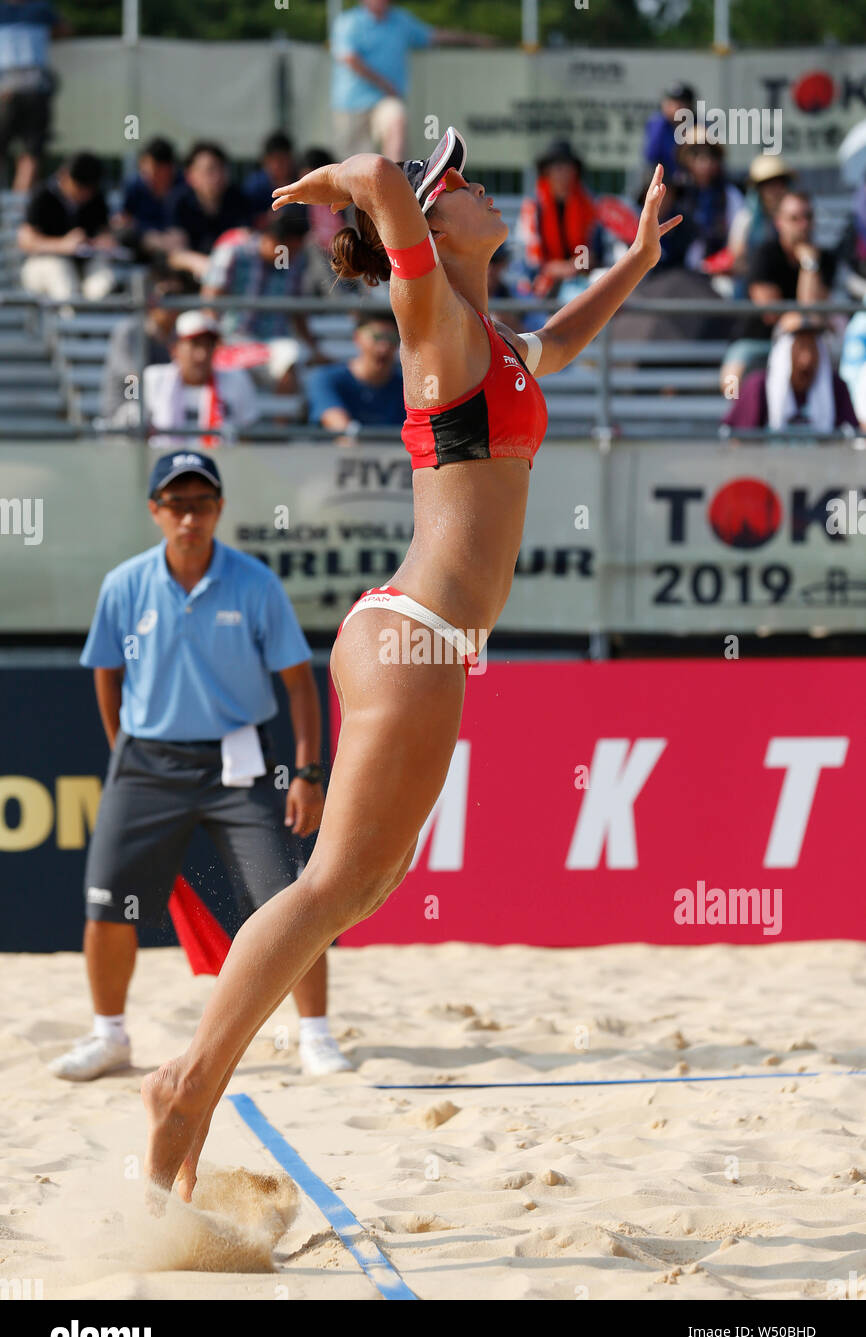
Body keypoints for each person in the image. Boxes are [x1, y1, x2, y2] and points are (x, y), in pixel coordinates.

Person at [140, 126, 681, 1195]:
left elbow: (562, 341)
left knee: (366, 884)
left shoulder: (489, 338)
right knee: (336, 882)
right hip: (410, 637)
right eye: (464, 186)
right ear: (431, 227)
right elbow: (384, 181)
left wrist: (635, 262)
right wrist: (341, 184)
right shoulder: (430, 317)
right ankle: (185, 1082)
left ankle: (196, 1087)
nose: (486, 192)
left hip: (421, 640)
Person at [49, 450, 350, 1082]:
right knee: (108, 901)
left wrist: (307, 773)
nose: (190, 517)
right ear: (156, 511)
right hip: (147, 761)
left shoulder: (254, 582)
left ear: (218, 510)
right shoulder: (125, 584)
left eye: (202, 504)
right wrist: (123, 753)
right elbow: (108, 675)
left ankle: (315, 1034)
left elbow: (299, 684)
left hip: (236, 761)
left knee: (289, 899)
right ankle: (109, 1036)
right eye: (177, 504)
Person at [330, 0, 496, 163]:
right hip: (351, 104)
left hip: (386, 100)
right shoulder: (348, 22)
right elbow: (350, 59)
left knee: (397, 120)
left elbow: (433, 35)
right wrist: (383, 83)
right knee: (352, 166)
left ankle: (395, 182)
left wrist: (473, 39)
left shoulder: (401, 21)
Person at [202, 207, 334, 391]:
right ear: (273, 240)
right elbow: (209, 301)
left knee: (291, 356)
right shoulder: (233, 253)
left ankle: (283, 419)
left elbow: (298, 314)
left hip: (275, 344)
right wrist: (215, 340)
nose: (292, 255)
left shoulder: (293, 262)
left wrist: (314, 348)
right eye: (289, 250)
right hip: (233, 340)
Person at [721, 191, 836, 392]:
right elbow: (771, 313)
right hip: (758, 340)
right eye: (794, 218)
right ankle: (734, 417)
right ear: (779, 222)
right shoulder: (765, 254)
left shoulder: (822, 259)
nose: (803, 225)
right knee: (732, 377)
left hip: (803, 344)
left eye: (808, 217)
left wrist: (808, 264)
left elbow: (812, 310)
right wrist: (797, 318)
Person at [723, 312, 858, 433]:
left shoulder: (836, 386)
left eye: (812, 345)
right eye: (800, 346)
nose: (807, 358)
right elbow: (737, 440)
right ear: (784, 350)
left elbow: (852, 436)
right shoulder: (758, 386)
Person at [142, 309, 259, 448]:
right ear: (174, 348)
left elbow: (249, 439)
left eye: (208, 345)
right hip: (164, 467)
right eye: (195, 344)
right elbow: (129, 415)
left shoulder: (237, 379)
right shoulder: (152, 378)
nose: (202, 355)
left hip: (223, 468)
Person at [99, 268, 195, 427]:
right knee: (138, 412)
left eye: (178, 296)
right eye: (168, 296)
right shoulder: (128, 332)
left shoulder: (177, 335)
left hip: (163, 405)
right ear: (151, 300)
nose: (173, 303)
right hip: (126, 406)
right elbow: (131, 378)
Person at [17, 150, 118, 300]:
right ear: (64, 176)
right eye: (79, 188)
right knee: (62, 277)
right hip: (44, 264)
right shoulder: (43, 195)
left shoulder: (96, 198)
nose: (84, 195)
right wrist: (63, 245)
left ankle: (96, 318)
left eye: (88, 190)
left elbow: (105, 232)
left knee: (103, 282)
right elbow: (26, 241)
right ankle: (71, 322)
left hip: (85, 263)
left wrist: (103, 242)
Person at [516, 139, 599, 299]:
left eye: (568, 167)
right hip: (541, 283)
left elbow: (593, 248)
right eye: (558, 167)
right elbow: (530, 260)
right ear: (547, 171)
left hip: (580, 279)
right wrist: (562, 268)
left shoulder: (588, 205)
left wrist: (578, 265)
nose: (564, 173)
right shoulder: (533, 207)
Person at [0, 0, 68, 192]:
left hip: (6, 88)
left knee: (27, 151)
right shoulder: (41, 9)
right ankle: (20, 204)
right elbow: (64, 29)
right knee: (31, 151)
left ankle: (18, 202)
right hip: (34, 86)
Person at [305, 307, 404, 437]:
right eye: (377, 337)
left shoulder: (406, 386)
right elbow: (340, 429)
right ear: (357, 338)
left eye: (392, 338)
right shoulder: (325, 379)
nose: (384, 347)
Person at [166, 142, 251, 282]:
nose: (217, 177)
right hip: (188, 280)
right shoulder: (178, 203)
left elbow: (244, 240)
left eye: (221, 169)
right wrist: (203, 264)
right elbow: (175, 255)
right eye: (210, 170)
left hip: (230, 279)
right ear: (190, 175)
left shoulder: (239, 200)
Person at [675, 131, 743, 268]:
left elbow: (736, 241)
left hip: (717, 271)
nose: (704, 160)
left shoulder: (729, 194)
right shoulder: (675, 192)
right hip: (676, 269)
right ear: (686, 159)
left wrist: (721, 263)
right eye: (696, 154)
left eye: (711, 155)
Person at [727, 153, 796, 284]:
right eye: (768, 184)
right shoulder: (746, 218)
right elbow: (736, 257)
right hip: (753, 283)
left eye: (780, 182)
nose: (775, 189)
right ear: (758, 189)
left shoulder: (799, 215)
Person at [114, 136, 184, 261]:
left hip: (176, 242)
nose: (151, 176)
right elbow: (123, 219)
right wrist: (148, 236)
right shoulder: (134, 184)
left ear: (170, 168)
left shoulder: (183, 186)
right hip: (143, 242)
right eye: (146, 170)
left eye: (158, 171)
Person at [243, 131, 296, 228]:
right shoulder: (255, 186)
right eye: (274, 160)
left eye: (283, 160)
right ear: (265, 161)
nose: (278, 166)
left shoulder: (300, 182)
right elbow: (247, 220)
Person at [643, 81, 695, 173]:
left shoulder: (700, 125)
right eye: (672, 103)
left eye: (681, 103)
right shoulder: (657, 123)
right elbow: (651, 156)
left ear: (690, 105)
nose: (676, 107)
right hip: (664, 177)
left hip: (693, 179)